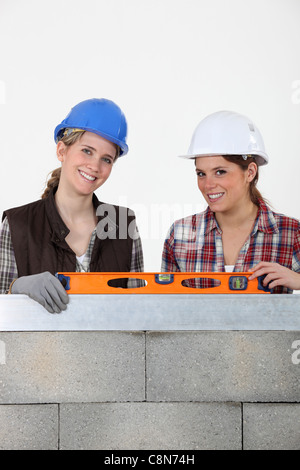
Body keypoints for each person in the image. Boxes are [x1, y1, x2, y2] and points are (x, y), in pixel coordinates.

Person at [0, 98, 144, 312]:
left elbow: (141, 313)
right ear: (61, 151)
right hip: (42, 347)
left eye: (106, 159)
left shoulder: (123, 224)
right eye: (87, 150)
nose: (94, 166)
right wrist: (14, 290)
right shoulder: (17, 224)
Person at [161, 110, 300, 293]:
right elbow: (166, 312)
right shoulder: (180, 235)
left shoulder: (290, 234)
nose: (208, 185)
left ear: (250, 172)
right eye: (201, 174)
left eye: (220, 172)